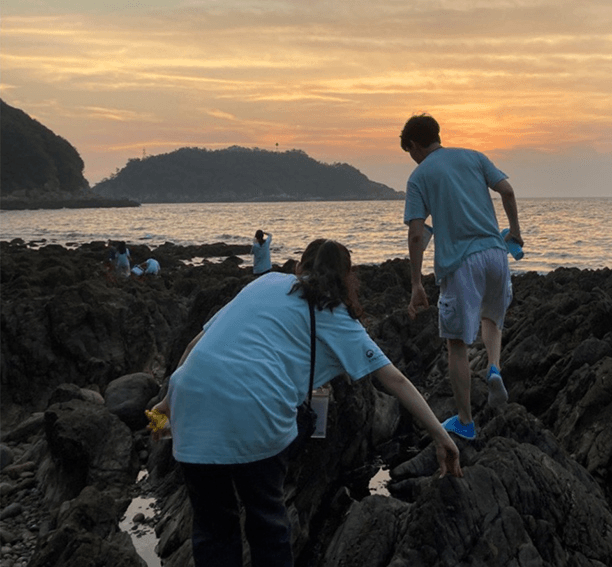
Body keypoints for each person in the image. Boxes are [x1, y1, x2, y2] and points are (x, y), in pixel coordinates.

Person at [150, 238, 462, 567]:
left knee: (213, 527)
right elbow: (394, 379)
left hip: (191, 401)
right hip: (256, 410)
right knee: (267, 522)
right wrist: (442, 437)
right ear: (347, 277)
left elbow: (196, 345)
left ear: (299, 268)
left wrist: (168, 403)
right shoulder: (338, 317)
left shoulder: (267, 280)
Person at [400, 114, 523, 440]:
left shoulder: (419, 177)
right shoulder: (475, 156)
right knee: (492, 319)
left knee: (457, 345)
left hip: (460, 264)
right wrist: (517, 234)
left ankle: (465, 421)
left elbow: (416, 234)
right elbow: (507, 192)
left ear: (414, 145)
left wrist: (416, 284)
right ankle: (494, 367)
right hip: (496, 254)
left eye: (409, 151)